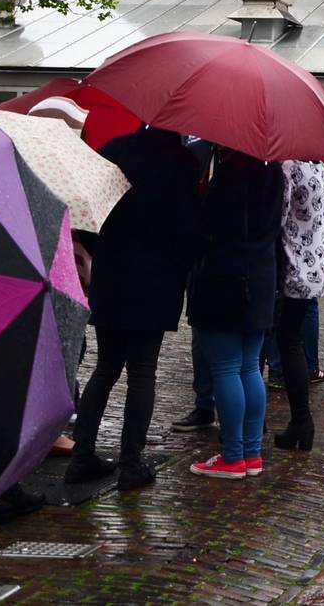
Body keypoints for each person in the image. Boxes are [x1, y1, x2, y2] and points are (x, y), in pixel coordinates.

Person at [67, 126, 203, 491]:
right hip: (156, 282)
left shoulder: (113, 150)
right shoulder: (185, 164)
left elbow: (91, 214)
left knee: (105, 367)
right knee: (143, 371)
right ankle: (131, 463)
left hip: (112, 276)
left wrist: (104, 253)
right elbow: (190, 231)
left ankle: (82, 457)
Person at [188, 149, 284, 480]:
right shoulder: (274, 175)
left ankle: (232, 457)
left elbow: (203, 230)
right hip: (260, 280)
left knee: (226, 369)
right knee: (249, 368)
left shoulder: (228, 178)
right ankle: (251, 454)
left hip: (224, 282)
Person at [271, 159, 324, 451]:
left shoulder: (289, 169)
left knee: (287, 343)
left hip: (295, 268)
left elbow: (277, 215)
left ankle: (302, 421)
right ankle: (300, 423)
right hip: (317, 267)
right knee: (290, 340)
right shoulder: (319, 169)